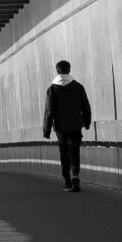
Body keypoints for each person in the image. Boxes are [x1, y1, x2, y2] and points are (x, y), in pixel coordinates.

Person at [42, 57, 92, 191]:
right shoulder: (78, 87)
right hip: (76, 125)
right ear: (69, 70)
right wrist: (86, 122)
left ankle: (67, 181)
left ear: (57, 71)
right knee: (75, 151)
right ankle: (75, 174)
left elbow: (49, 111)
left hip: (60, 127)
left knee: (63, 152)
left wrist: (46, 130)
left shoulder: (52, 89)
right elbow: (86, 106)